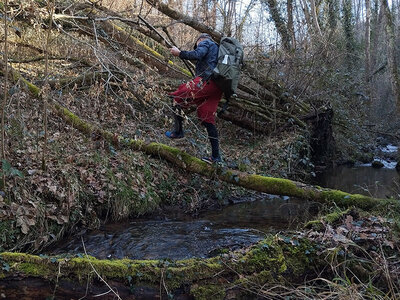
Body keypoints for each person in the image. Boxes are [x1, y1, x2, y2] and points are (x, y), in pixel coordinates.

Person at [165, 33, 223, 164]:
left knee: (177, 96)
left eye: (197, 43)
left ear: (199, 40)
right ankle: (216, 157)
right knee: (207, 118)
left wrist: (179, 53)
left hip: (206, 81)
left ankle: (178, 132)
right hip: (218, 88)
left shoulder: (206, 42)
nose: (197, 45)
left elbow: (197, 54)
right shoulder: (219, 49)